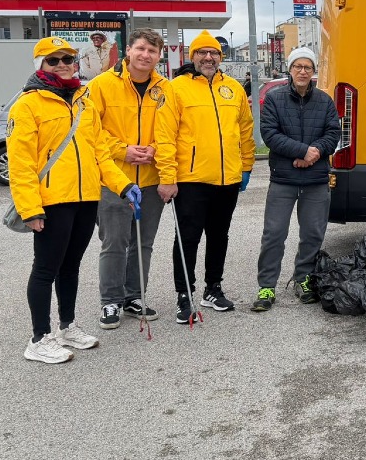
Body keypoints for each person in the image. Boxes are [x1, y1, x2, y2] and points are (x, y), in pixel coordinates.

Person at [8, 36, 140, 364]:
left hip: (85, 198)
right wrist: (30, 208)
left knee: (71, 267)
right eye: (54, 60)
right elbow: (21, 163)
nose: (63, 64)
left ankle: (67, 327)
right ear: (41, 66)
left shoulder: (83, 100)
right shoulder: (27, 105)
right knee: (45, 270)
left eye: (68, 58)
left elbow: (99, 152)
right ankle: (39, 338)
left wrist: (123, 185)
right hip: (51, 201)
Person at [154, 30, 256, 323]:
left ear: (220, 58)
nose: (208, 58)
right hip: (191, 179)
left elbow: (245, 131)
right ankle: (184, 294)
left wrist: (246, 166)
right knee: (187, 238)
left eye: (214, 53)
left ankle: (213, 288)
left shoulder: (234, 88)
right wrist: (167, 176)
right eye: (202, 53)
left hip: (228, 179)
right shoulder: (175, 89)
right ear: (192, 56)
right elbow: (165, 136)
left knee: (219, 236)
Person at [86, 28, 168, 329]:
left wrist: (155, 150)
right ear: (129, 51)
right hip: (113, 179)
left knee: (143, 243)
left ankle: (134, 296)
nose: (146, 55)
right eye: (141, 49)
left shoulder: (165, 89)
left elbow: (173, 131)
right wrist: (124, 151)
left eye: (152, 51)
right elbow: (90, 133)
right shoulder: (101, 86)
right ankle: (110, 301)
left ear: (159, 56)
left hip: (150, 178)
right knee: (114, 243)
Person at [252, 47, 341, 311]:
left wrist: (312, 156)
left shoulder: (324, 101)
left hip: (315, 179)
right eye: (298, 66)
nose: (303, 71)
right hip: (284, 178)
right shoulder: (275, 99)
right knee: (274, 234)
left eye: (308, 67)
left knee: (313, 233)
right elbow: (270, 134)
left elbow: (332, 132)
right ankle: (267, 286)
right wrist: (303, 151)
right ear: (290, 70)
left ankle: (303, 279)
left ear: (313, 72)